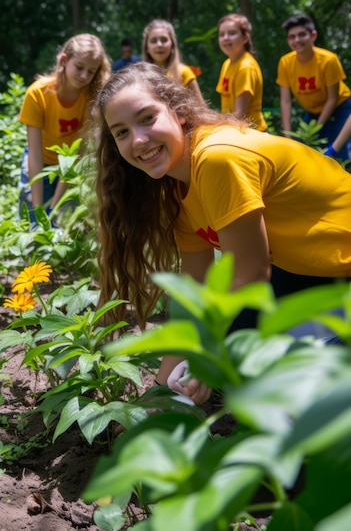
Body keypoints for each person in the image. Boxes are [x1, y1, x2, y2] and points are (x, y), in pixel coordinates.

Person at [94, 62, 351, 405]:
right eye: (121, 132)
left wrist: (206, 358)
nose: (138, 139)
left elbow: (251, 273)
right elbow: (193, 295)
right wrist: (156, 399)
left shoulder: (217, 159)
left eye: (146, 118)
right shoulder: (177, 187)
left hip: (336, 273)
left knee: (275, 396)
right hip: (310, 273)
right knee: (218, 342)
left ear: (179, 112)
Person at [19, 33, 111, 225]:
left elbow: (78, 151)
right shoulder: (37, 94)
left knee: (61, 223)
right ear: (64, 60)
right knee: (31, 225)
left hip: (69, 165)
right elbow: (34, 155)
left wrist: (55, 205)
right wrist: (37, 210)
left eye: (91, 71)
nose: (84, 76)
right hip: (39, 162)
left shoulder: (91, 97)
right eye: (79, 67)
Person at [276, 14, 351, 160]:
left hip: (340, 108)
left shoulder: (328, 60)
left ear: (313, 35)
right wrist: (287, 136)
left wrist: (317, 128)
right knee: (305, 152)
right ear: (288, 41)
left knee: (338, 155)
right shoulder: (285, 62)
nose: (297, 40)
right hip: (312, 111)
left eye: (302, 35)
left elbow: (332, 98)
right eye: (292, 37)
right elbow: (285, 101)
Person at [216, 13, 267, 131]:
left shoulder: (246, 67)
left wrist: (216, 127)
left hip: (254, 133)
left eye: (232, 33)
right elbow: (226, 107)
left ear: (245, 38)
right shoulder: (227, 64)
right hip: (236, 131)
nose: (226, 38)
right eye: (221, 34)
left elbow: (240, 114)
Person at [142, 19, 204, 101]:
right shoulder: (141, 76)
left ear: (172, 45)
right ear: (147, 48)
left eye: (164, 40)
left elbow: (202, 110)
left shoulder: (184, 73)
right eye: (153, 41)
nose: (159, 45)